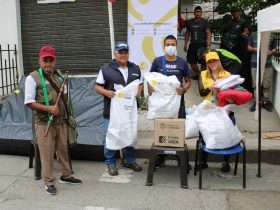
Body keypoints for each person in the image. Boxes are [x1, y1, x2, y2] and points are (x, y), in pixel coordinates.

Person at [24, 45, 82, 196]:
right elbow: (29, 102)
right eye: (45, 60)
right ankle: (49, 182)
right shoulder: (32, 78)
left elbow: (66, 97)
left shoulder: (60, 76)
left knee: (63, 150)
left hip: (61, 121)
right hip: (44, 123)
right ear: (40, 61)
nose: (48, 63)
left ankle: (66, 176)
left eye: (51, 60)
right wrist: (48, 109)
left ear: (55, 61)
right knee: (47, 154)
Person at [94, 42, 143, 176]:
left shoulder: (135, 68)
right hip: (111, 110)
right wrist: (106, 93)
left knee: (130, 134)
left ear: (128, 53)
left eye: (125, 52)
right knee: (110, 136)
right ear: (115, 53)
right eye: (120, 52)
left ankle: (129, 160)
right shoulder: (106, 69)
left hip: (128, 111)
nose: (123, 55)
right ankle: (110, 163)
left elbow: (140, 84)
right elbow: (97, 87)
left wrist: (139, 92)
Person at [148, 35, 191, 168]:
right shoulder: (157, 61)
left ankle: (181, 157)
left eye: (173, 44)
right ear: (164, 46)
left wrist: (183, 89)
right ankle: (160, 157)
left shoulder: (182, 62)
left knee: (178, 128)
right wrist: (150, 87)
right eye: (168, 44)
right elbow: (150, 78)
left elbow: (188, 81)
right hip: (161, 102)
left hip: (177, 102)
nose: (170, 47)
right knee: (162, 128)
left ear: (176, 45)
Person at [198, 51, 236, 172]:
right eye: (209, 61)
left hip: (223, 109)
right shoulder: (203, 74)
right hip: (208, 109)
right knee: (203, 133)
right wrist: (210, 88)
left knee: (227, 133)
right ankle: (203, 161)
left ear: (219, 61)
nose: (212, 63)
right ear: (207, 64)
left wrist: (224, 94)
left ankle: (225, 162)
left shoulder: (227, 74)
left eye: (214, 60)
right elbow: (201, 93)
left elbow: (233, 96)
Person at [249, 35, 277, 112]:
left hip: (267, 65)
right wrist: (257, 49)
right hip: (255, 64)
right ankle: (256, 103)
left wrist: (271, 52)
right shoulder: (254, 34)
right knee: (255, 84)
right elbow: (248, 47)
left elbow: (275, 49)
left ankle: (265, 102)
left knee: (266, 84)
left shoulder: (272, 35)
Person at [184, 6, 211, 80]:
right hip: (192, 45)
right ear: (194, 13)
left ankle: (203, 77)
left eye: (199, 11)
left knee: (203, 62)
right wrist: (185, 44)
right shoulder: (189, 22)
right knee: (191, 62)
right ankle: (199, 75)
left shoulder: (205, 22)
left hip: (202, 45)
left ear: (201, 13)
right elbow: (187, 34)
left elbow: (208, 33)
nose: (198, 13)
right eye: (196, 11)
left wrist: (208, 45)